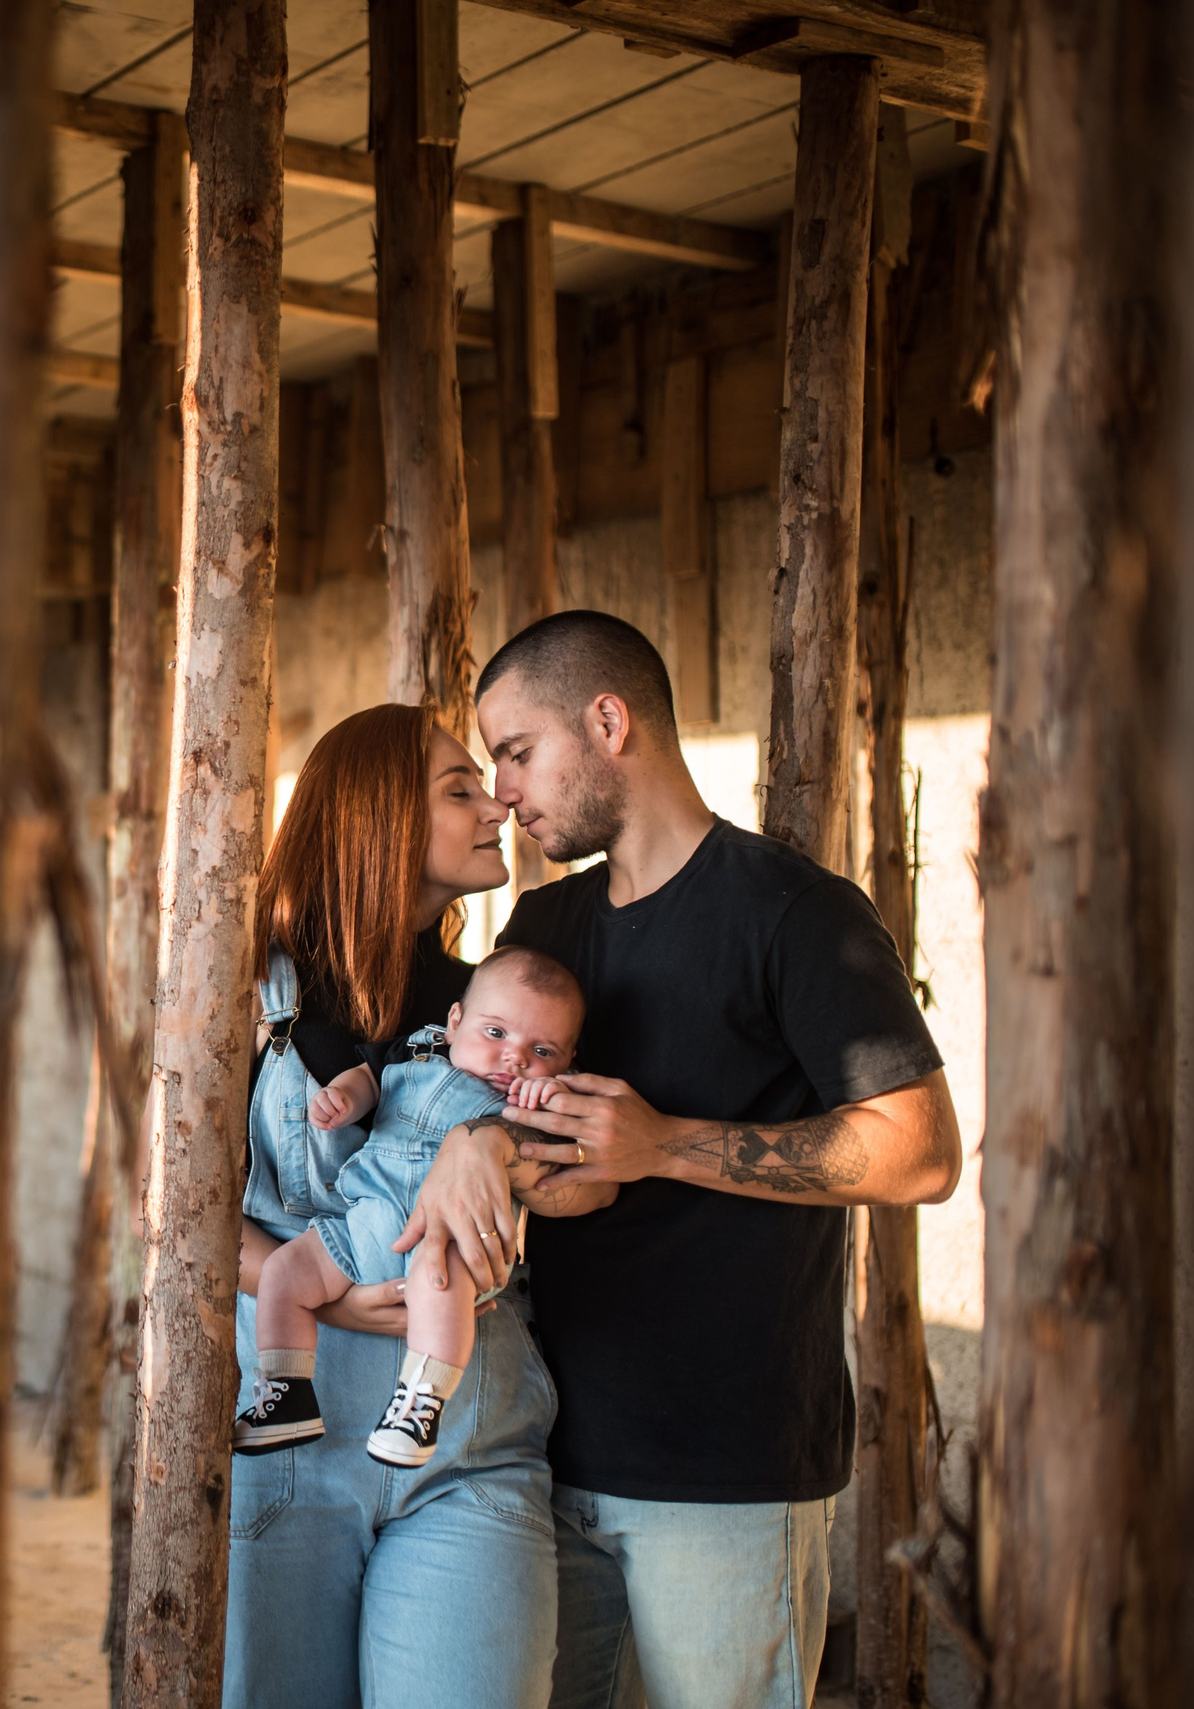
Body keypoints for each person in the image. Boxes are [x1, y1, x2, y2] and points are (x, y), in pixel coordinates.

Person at [457, 610, 962, 1709]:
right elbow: (495, 1122)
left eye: (515, 749)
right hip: (533, 1452)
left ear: (606, 719)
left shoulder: (797, 913)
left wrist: (662, 1145)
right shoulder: (540, 927)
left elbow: (920, 1152)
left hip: (727, 1474)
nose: (500, 789)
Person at [223, 703, 589, 1709]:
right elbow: (170, 1213)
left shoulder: (505, 1009)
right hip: (288, 1450)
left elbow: (585, 1163)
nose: (495, 806)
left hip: (472, 1452)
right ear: (375, 813)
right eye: (459, 788)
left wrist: (490, 1136)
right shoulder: (244, 989)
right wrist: (327, 1295)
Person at [234, 947, 594, 1467]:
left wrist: (543, 1103)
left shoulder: (538, 1102)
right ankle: (287, 1389)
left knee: (439, 1279)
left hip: (452, 1240)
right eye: (496, 1034)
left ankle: (421, 1403)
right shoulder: (417, 1049)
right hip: (363, 1223)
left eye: (543, 1050)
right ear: (454, 1021)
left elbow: (564, 1162)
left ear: (568, 1061)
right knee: (287, 1271)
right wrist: (343, 1099)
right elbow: (369, 1077)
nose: (516, 1058)